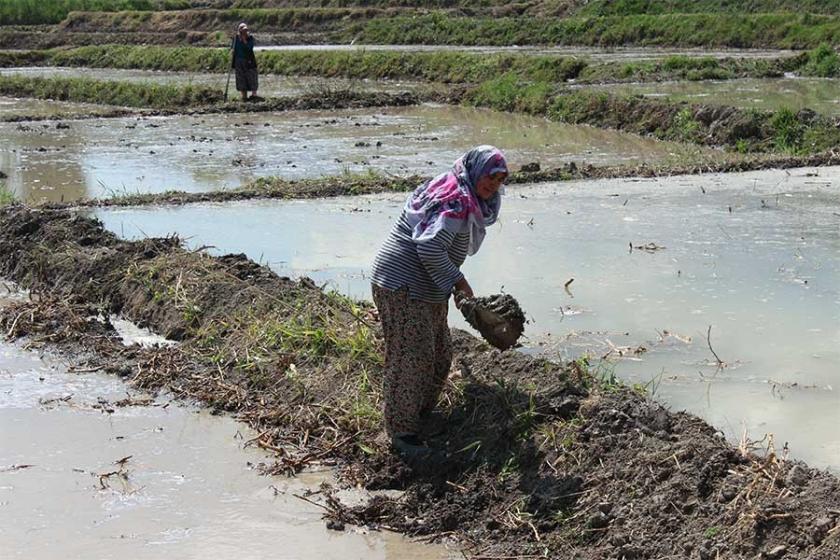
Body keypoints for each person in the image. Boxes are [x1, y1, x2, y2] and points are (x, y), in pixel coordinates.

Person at [370, 145, 508, 459]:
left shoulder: (465, 192)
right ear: (475, 172)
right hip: (402, 284)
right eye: (489, 177)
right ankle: (401, 432)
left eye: (500, 180)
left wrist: (450, 288)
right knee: (412, 356)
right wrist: (458, 281)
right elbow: (429, 249)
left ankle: (419, 418)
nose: (493, 185)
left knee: (441, 354)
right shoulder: (456, 199)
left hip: (427, 287)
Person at [232, 22, 259, 101]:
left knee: (252, 77)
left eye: (245, 31)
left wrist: (244, 40)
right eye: (242, 31)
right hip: (238, 61)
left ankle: (254, 95)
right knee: (241, 78)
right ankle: (244, 96)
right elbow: (233, 48)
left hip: (249, 61)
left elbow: (250, 47)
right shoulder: (236, 39)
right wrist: (232, 51)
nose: (244, 32)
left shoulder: (250, 38)